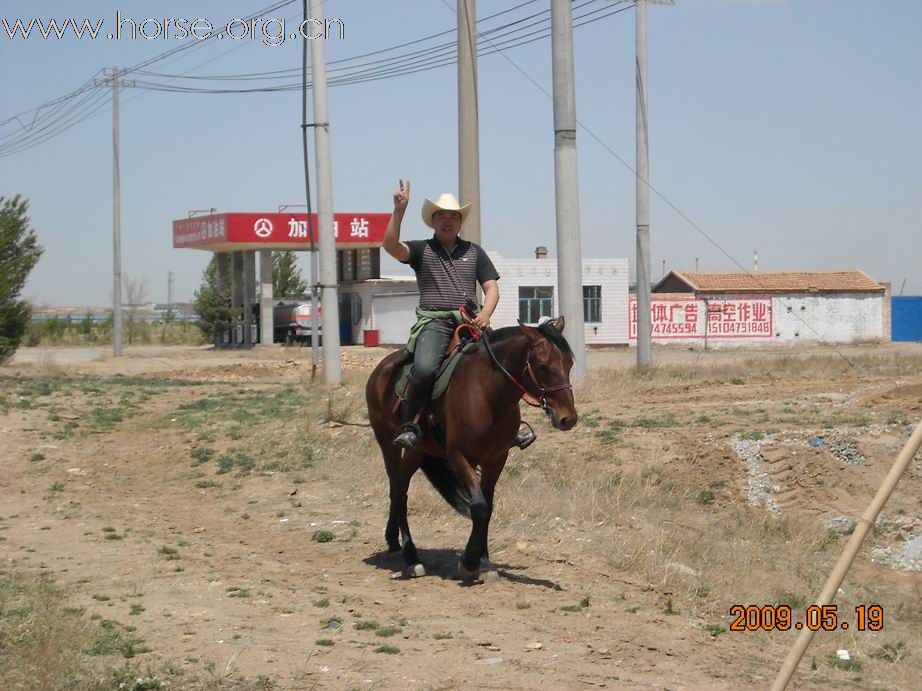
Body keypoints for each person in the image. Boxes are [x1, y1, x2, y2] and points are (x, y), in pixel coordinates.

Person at [381, 179, 501, 449]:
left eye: (453, 217)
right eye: (441, 217)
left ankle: (510, 427)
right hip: (435, 323)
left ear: (460, 222)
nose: (447, 221)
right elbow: (390, 245)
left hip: (471, 321)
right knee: (424, 369)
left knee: (503, 361)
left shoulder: (475, 252)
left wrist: (486, 312)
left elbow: (491, 288)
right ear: (433, 222)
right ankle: (410, 425)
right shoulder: (421, 250)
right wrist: (399, 211)